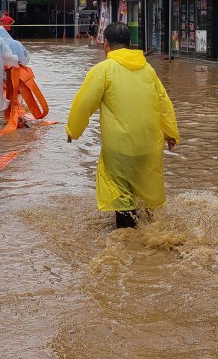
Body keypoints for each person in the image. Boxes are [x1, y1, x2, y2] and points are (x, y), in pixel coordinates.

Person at [67, 22, 180, 230]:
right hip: (149, 147)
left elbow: (84, 103)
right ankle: (151, 240)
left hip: (119, 149)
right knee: (143, 192)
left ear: (106, 45)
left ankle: (128, 244)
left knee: (120, 195)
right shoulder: (148, 70)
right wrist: (170, 133)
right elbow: (164, 102)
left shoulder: (103, 70)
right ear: (130, 44)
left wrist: (73, 130)